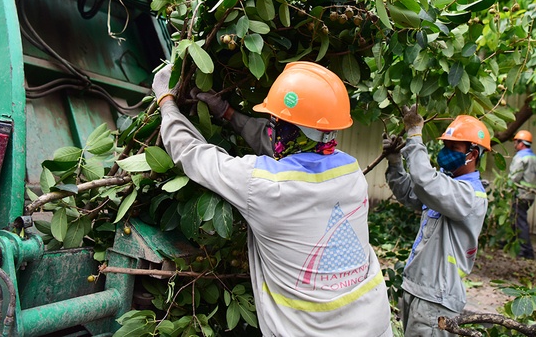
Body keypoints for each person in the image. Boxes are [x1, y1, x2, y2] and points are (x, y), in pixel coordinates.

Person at [153, 61, 393, 337]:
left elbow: (191, 153)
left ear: (286, 130)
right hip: (373, 323)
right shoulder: (351, 172)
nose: (272, 128)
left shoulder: (263, 186)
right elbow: (295, 151)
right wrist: (228, 113)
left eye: (275, 123)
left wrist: (166, 102)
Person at [383, 108, 490, 336]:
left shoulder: (469, 195)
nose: (446, 152)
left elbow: (424, 180)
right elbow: (410, 193)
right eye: (446, 146)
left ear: (473, 154)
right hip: (417, 290)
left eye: (455, 148)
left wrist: (414, 135)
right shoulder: (446, 186)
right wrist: (394, 163)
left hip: (436, 299)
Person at [508, 130, 536, 260]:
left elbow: (514, 177)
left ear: (521, 143)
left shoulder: (520, 157)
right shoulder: (535, 158)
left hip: (520, 193)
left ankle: (526, 251)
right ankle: (515, 245)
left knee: (520, 222)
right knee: (516, 220)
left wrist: (506, 186)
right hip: (530, 195)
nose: (515, 145)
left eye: (516, 142)